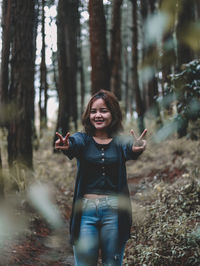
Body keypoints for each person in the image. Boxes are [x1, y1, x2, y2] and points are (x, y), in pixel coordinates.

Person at [55, 90, 147, 266]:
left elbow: (130, 149)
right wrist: (67, 146)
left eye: (103, 110)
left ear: (113, 113)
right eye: (93, 111)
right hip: (86, 214)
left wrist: (136, 148)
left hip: (114, 213)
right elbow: (74, 144)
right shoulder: (83, 139)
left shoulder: (121, 142)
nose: (98, 115)